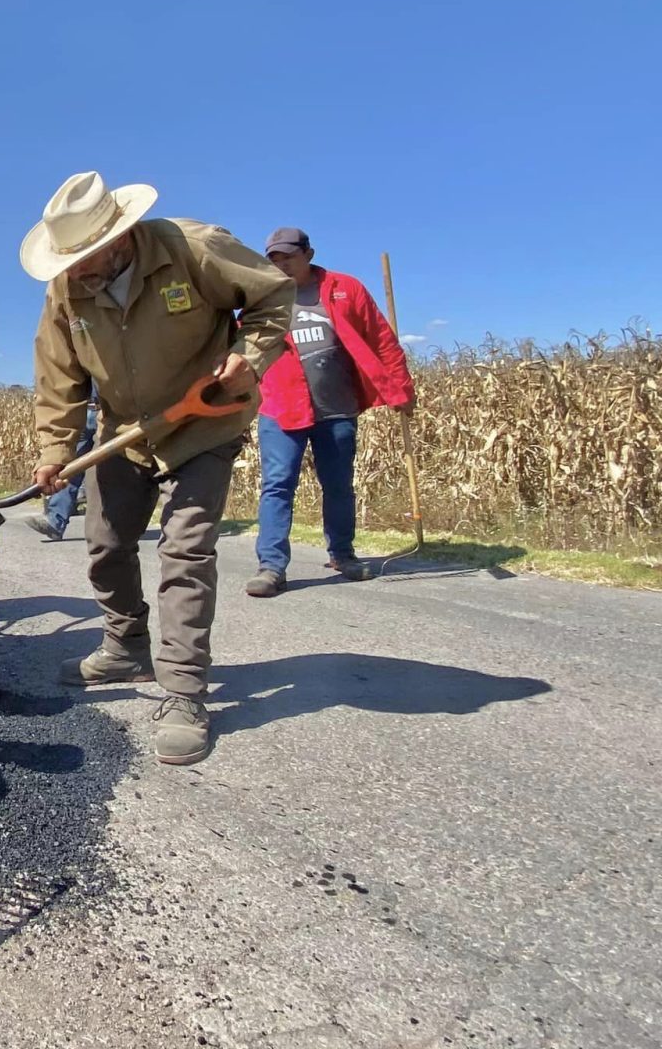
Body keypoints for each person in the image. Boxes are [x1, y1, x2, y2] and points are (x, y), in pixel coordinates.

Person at [23, 171, 291, 766]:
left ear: (117, 238)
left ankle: (184, 691)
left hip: (204, 422)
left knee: (185, 551)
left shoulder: (193, 248)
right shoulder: (66, 290)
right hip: (125, 432)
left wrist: (250, 359)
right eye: (69, 263)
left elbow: (273, 296)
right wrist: (54, 451)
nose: (77, 273)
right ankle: (125, 645)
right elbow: (59, 378)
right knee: (105, 545)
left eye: (86, 259)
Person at [245, 227, 416, 597]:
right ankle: (271, 567)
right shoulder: (262, 297)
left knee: (338, 485)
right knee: (277, 485)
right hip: (281, 405)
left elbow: (382, 340)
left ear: (309, 253)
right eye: (274, 259)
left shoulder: (345, 288)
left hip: (337, 407)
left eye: (289, 256)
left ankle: (343, 554)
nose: (282, 264)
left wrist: (401, 389)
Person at [24, 398, 97, 541]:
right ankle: (55, 523)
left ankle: (113, 529)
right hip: (82, 413)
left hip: (110, 416)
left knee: (109, 470)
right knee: (67, 469)